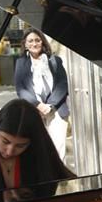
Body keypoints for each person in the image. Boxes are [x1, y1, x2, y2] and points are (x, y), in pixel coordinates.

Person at [13, 29, 70, 161]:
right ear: (25, 44)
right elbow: (20, 89)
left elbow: (63, 84)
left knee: (58, 148)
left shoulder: (55, 60)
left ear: (42, 42)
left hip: (56, 109)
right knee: (39, 148)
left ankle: (60, 179)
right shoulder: (20, 63)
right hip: (34, 110)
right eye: (30, 41)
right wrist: (38, 105)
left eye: (37, 40)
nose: (34, 43)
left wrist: (49, 106)